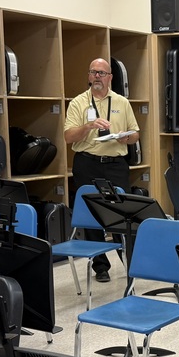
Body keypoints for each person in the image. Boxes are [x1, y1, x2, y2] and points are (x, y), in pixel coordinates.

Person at [63, 58, 140, 282]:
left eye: (102, 73)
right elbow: (68, 137)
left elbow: (135, 133)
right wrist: (88, 126)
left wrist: (127, 137)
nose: (97, 76)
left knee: (121, 213)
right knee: (92, 214)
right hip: (87, 162)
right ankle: (101, 267)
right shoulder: (78, 102)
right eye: (93, 72)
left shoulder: (121, 102)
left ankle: (129, 261)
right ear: (89, 76)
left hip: (115, 164)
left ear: (110, 77)